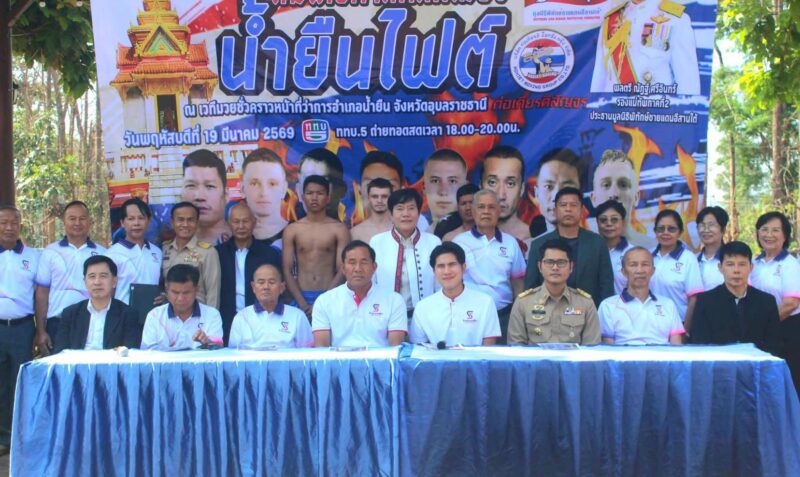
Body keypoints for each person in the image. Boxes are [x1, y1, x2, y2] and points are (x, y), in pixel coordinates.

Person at [35, 201, 108, 356]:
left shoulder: (103, 253)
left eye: (82, 218)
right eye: (72, 218)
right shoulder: (50, 252)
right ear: (64, 222)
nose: (77, 223)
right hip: (57, 323)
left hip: (93, 322)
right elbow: (42, 293)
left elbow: (109, 291)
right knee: (59, 369)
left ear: (89, 222)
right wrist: (41, 331)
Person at [453, 189, 526, 343]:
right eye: (481, 207)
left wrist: (517, 314)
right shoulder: (459, 242)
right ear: (473, 211)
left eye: (491, 207)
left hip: (504, 317)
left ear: (499, 211)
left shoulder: (511, 243)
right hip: (469, 317)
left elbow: (518, 284)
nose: (486, 211)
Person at [525, 187, 614, 308]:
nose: (568, 209)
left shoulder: (597, 243)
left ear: (582, 210)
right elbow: (531, 288)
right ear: (555, 210)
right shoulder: (538, 244)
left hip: (588, 313)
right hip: (549, 314)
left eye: (573, 205)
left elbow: (606, 286)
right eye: (563, 205)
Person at [590, 0, 700, 96]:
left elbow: (688, 85)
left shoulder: (676, 19)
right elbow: (599, 80)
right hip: (612, 111)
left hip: (654, 110)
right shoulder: (610, 21)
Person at [690, 241, 781, 355]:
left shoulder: (766, 301)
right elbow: (700, 344)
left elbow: (774, 344)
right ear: (720, 267)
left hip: (757, 364)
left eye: (742, 264)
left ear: (751, 267)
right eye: (730, 264)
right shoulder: (705, 301)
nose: (736, 270)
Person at [312, 241, 407, 347]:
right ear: (343, 268)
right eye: (352, 262)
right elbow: (321, 348)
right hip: (338, 357)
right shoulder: (324, 301)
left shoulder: (394, 300)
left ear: (374, 267)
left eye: (364, 262)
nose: (358, 269)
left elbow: (395, 348)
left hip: (381, 358)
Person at [508, 239, 601, 345]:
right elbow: (516, 347)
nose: (555, 267)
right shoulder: (523, 303)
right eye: (549, 262)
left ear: (571, 267)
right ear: (540, 266)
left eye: (561, 263)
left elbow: (591, 348)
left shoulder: (585, 303)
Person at [0, 205, 40, 449]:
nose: (9, 227)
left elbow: (40, 295)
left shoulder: (33, 256)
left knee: (19, 382)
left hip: (22, 328)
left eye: (14, 223)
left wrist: (40, 330)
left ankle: (17, 437)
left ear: (20, 226)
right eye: (3, 222)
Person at [283, 176, 350, 318]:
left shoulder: (339, 229)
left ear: (328, 198)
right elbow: (286, 270)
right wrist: (302, 304)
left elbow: (343, 269)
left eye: (320, 193)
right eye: (309, 193)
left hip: (330, 294)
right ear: (302, 197)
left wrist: (323, 301)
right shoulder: (292, 230)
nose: (314, 198)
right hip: (300, 297)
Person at [410, 242, 501, 346]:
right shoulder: (422, 307)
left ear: (463, 267)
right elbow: (419, 350)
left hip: (476, 357)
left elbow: (488, 350)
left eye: (452, 264)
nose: (447, 271)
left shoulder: (485, 302)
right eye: (441, 266)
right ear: (434, 271)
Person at [216, 202, 282, 344]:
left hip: (261, 317)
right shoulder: (218, 253)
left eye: (245, 221)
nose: (241, 226)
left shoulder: (269, 254)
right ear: (228, 224)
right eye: (236, 222)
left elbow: (277, 287)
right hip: (226, 317)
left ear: (254, 222)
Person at [749, 212, 800, 392]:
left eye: (775, 230)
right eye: (764, 229)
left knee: (787, 385)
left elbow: (791, 303)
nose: (769, 235)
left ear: (785, 235)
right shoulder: (754, 263)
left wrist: (764, 324)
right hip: (759, 332)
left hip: (787, 333)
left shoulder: (790, 264)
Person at [370, 188, 441, 316]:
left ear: (419, 213)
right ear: (391, 214)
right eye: (400, 209)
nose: (406, 214)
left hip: (426, 316)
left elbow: (439, 284)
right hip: (386, 315)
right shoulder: (377, 242)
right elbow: (371, 283)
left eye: (411, 208)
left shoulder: (433, 242)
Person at [597, 247, 685, 345]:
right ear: (623, 271)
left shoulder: (668, 304)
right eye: (633, 265)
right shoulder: (608, 306)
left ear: (653, 270)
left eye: (645, 264)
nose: (639, 270)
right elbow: (608, 349)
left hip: (662, 355)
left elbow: (676, 346)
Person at [54, 256, 140, 352]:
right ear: (85, 282)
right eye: (92, 276)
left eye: (103, 276)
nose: (97, 282)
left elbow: (130, 352)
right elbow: (60, 351)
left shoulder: (128, 314)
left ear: (114, 281)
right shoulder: (70, 313)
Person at [228, 263, 314, 349]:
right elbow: (232, 354)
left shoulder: (297, 316)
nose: (266, 287)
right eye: (261, 282)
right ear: (253, 287)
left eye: (271, 282)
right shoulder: (242, 317)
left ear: (282, 287)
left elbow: (307, 353)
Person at [141, 264, 223, 350]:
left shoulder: (212, 315)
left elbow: (219, 348)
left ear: (196, 290)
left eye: (186, 293)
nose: (180, 298)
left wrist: (208, 342)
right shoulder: (154, 316)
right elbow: (146, 352)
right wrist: (166, 351)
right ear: (167, 290)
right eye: (175, 292)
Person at [589, 149, 654, 247]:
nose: (614, 194)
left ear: (636, 197)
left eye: (623, 185)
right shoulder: (580, 251)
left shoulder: (653, 249)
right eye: (606, 185)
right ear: (593, 198)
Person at [161, 202, 221, 308]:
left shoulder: (208, 252)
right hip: (168, 314)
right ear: (172, 222)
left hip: (197, 314)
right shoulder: (163, 249)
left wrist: (211, 316)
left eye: (190, 220)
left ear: (197, 222)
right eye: (180, 220)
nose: (185, 224)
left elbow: (213, 292)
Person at [649, 209, 703, 326]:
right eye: (661, 229)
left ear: (680, 232)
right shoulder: (648, 256)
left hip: (678, 324)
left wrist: (686, 329)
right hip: (650, 323)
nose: (665, 233)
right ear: (655, 232)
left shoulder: (688, 258)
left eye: (672, 229)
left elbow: (693, 299)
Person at [106, 198, 162, 305]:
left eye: (141, 218)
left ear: (149, 221)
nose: (136, 223)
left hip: (152, 313)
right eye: (131, 219)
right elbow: (107, 292)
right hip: (123, 313)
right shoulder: (112, 254)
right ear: (122, 222)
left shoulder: (157, 252)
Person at [181, 149, 231, 244]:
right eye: (191, 185)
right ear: (182, 193)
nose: (200, 196)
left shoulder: (244, 242)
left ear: (226, 195)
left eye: (210, 186)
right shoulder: (166, 244)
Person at [481, 145, 530, 241]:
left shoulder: (535, 241)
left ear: (522, 189)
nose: (501, 195)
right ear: (480, 187)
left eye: (510, 184)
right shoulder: (463, 240)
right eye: (492, 182)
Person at [242, 148, 289, 244]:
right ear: (243, 189)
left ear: (284, 189)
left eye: (272, 184)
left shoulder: (299, 236)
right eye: (254, 183)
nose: (264, 193)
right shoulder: (229, 237)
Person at [532, 148, 583, 235]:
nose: (556, 197)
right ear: (537, 194)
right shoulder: (526, 243)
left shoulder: (599, 237)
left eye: (567, 188)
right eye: (548, 187)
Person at [422, 149, 468, 232]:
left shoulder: (481, 233)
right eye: (435, 181)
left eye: (452, 181)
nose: (443, 192)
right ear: (424, 187)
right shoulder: (412, 231)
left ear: (465, 187)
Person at [295, 148, 346, 221]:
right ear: (298, 190)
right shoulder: (290, 228)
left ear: (341, 190)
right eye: (307, 182)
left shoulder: (350, 227)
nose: (314, 190)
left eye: (323, 181)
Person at [595, 199, 634, 294]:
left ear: (623, 223)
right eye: (603, 220)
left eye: (614, 220)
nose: (609, 224)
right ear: (597, 223)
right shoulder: (590, 251)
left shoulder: (632, 253)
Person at [351, 178, 394, 243]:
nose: (379, 201)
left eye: (384, 196)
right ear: (368, 198)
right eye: (375, 196)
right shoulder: (355, 232)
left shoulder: (401, 229)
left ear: (391, 198)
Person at [695, 206, 728, 290]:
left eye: (711, 225)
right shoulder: (692, 259)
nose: (706, 230)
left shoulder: (732, 259)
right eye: (702, 225)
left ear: (723, 229)